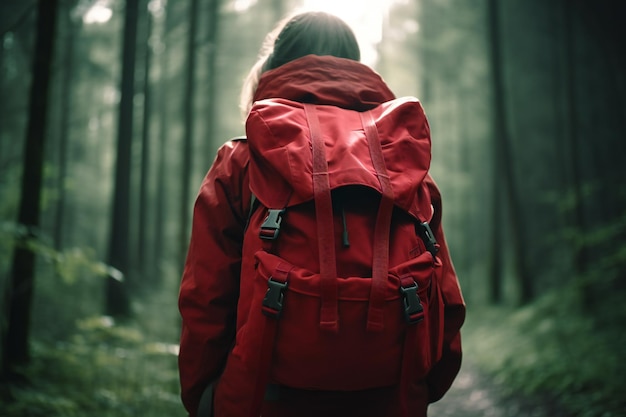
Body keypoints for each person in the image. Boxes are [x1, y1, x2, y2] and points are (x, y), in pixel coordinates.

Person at [178, 11, 465, 417]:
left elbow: (205, 296)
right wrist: (419, 386)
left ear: (277, 64)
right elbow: (446, 298)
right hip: (389, 398)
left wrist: (205, 396)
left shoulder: (241, 162)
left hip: (262, 397)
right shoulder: (406, 166)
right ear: (355, 66)